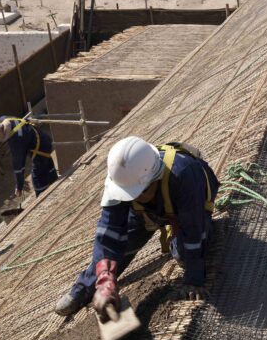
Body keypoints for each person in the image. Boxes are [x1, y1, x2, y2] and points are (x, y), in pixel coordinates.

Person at [53, 136, 219, 318]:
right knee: (114, 255)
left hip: (191, 204)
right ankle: (81, 290)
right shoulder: (122, 180)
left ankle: (182, 235)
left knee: (186, 253)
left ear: (154, 179)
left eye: (138, 193)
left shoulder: (184, 174)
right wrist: (105, 281)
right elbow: (108, 236)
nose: (133, 199)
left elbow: (193, 231)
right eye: (128, 196)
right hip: (148, 212)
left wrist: (194, 279)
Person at [0, 116, 58, 198]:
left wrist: (19, 187)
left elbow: (19, 167)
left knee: (37, 177)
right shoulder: (7, 120)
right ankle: (54, 180)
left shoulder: (15, 141)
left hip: (41, 148)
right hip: (42, 139)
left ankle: (44, 197)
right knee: (46, 164)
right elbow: (1, 118)